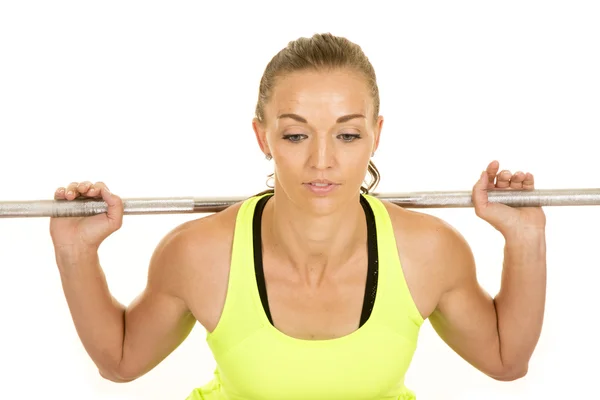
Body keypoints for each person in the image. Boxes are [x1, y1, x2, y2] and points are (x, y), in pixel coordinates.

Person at [50, 33, 547, 400]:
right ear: (262, 136)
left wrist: (525, 240)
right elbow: (119, 362)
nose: (322, 161)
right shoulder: (200, 254)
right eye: (295, 135)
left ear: (376, 133)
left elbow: (506, 361)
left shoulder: (428, 251)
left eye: (348, 135)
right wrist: (75, 250)